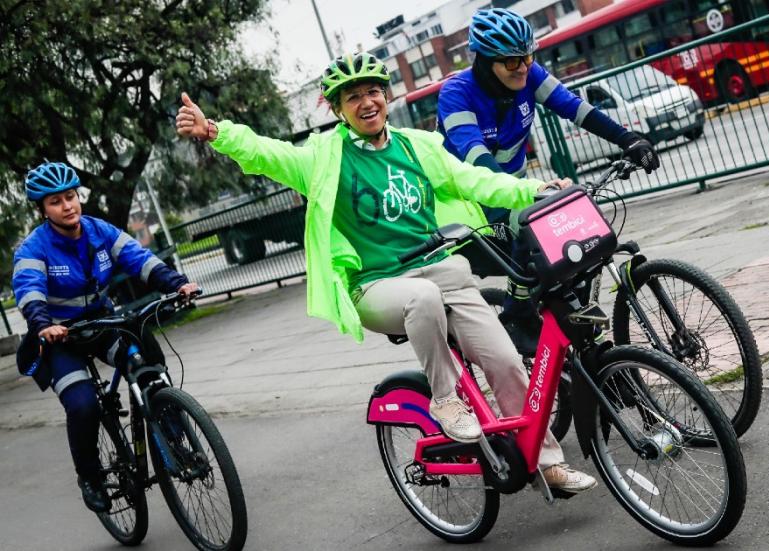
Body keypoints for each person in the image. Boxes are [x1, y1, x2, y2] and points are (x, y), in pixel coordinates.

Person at [174, 51, 597, 493]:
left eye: (373, 91)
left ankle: (546, 463)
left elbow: (472, 179)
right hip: (375, 286)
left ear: (387, 96)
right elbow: (268, 154)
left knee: (508, 363)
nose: (366, 102)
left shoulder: (418, 146)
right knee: (423, 300)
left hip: (442, 273)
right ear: (338, 109)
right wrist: (216, 132)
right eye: (352, 96)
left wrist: (532, 188)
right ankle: (446, 399)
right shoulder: (325, 158)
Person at [436, 8, 660, 352]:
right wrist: (529, 191)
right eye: (511, 62)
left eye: (527, 56)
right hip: (470, 203)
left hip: (514, 189)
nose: (523, 67)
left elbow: (576, 108)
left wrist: (628, 139)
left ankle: (581, 348)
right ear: (483, 61)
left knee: (573, 249)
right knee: (532, 230)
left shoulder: (529, 75)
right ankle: (516, 314)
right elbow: (475, 157)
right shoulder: (457, 93)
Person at [12, 161, 199, 512]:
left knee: (148, 362)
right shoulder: (33, 248)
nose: (67, 206)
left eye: (70, 197)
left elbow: (139, 259)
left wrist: (178, 284)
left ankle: (175, 439)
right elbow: (29, 290)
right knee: (83, 405)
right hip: (59, 338)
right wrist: (43, 324)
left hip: (100, 322)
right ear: (42, 210)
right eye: (56, 202)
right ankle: (90, 476)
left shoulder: (99, 231)